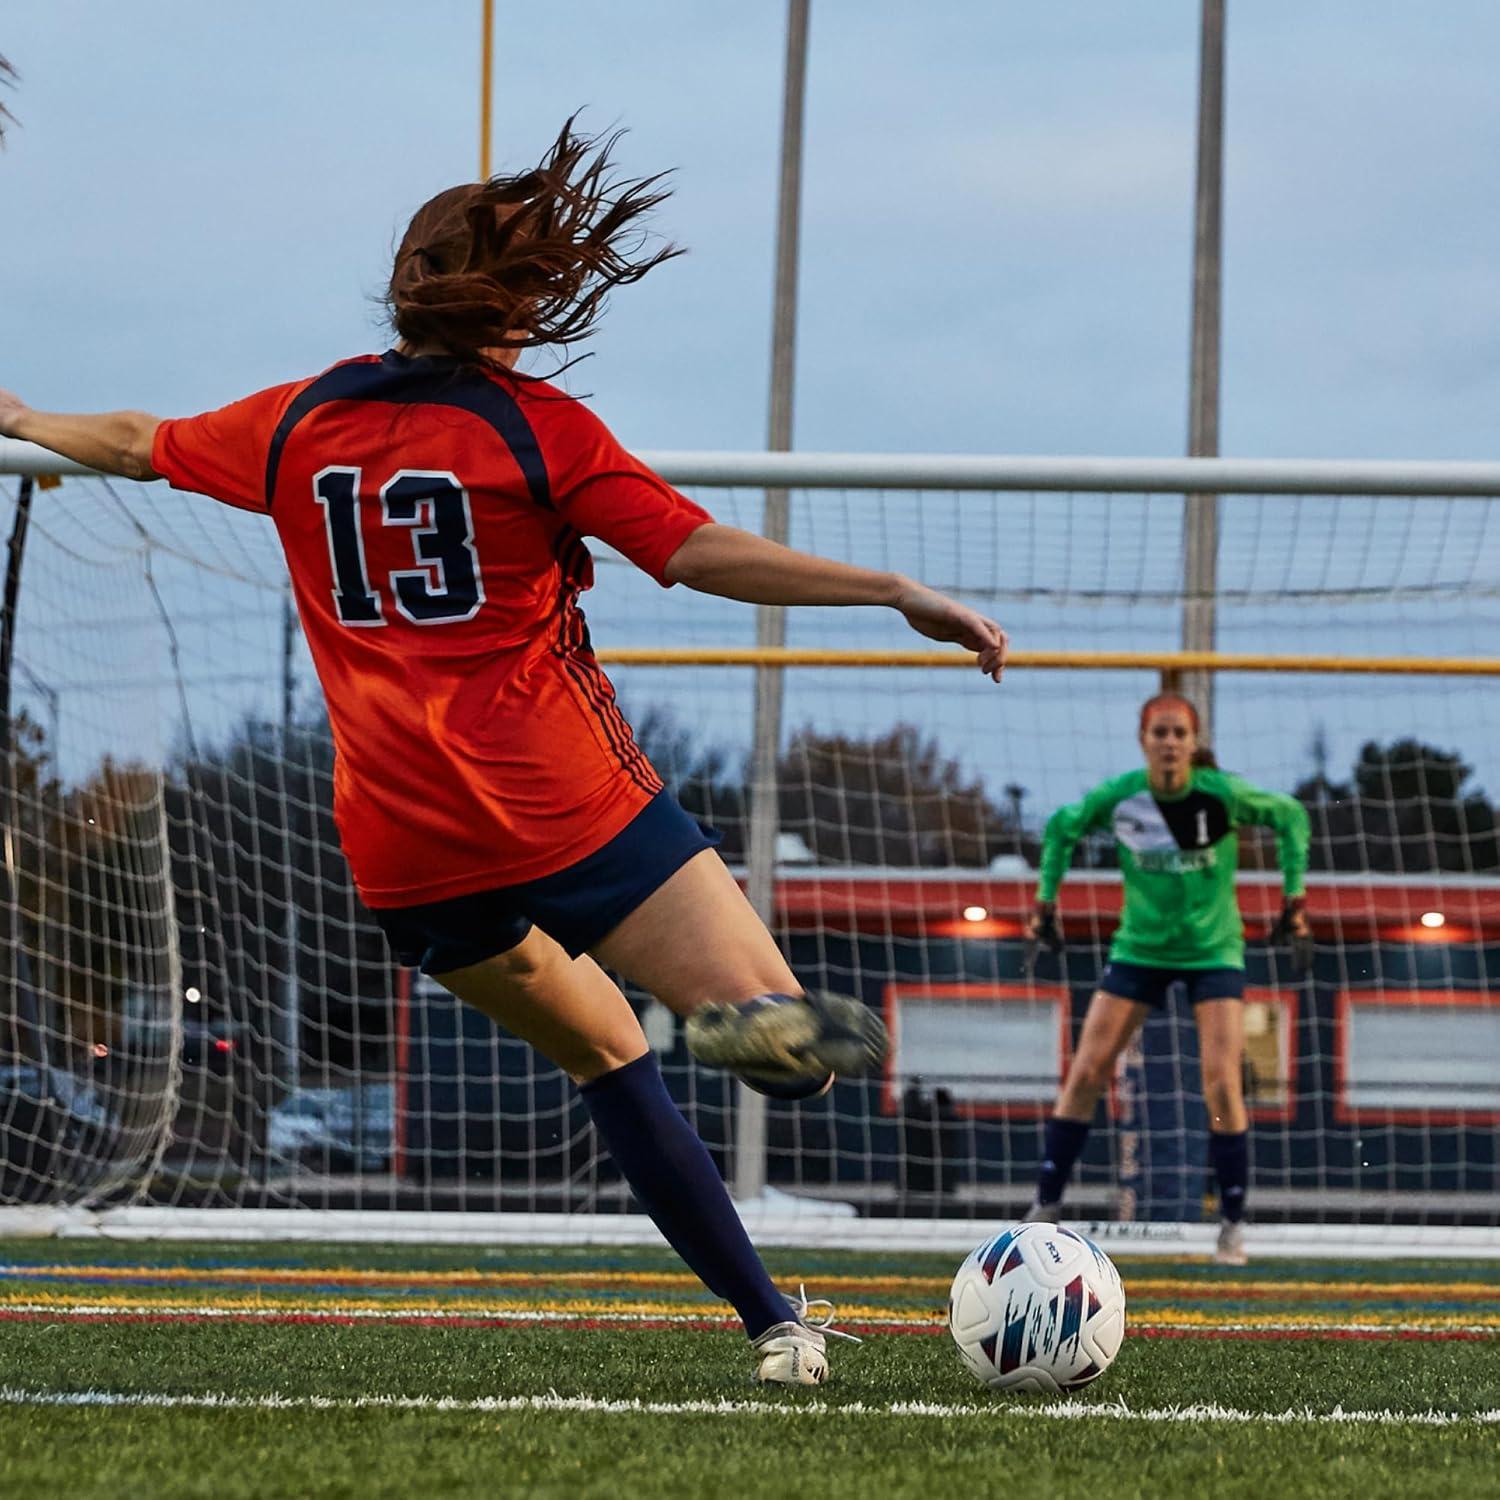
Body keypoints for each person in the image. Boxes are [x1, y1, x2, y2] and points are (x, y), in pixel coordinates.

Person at [0, 120, 1007, 1382]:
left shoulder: (297, 420)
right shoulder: (536, 428)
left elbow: (143, 440)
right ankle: (723, 1021)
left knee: (604, 1054)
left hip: (407, 846)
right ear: (510, 304)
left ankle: (776, 1327)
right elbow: (694, 556)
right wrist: (893, 588)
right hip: (564, 803)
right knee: (790, 1055)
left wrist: (30, 414)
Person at [1023, 692, 1311, 1265]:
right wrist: (1045, 902)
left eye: (1180, 733)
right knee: (1086, 1071)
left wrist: (1294, 896)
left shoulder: (1221, 795)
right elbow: (1060, 826)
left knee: (1222, 1085)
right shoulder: (1123, 796)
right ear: (1144, 740)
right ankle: (1045, 1208)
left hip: (1213, 951)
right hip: (1140, 949)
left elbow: (1291, 816)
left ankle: (1231, 1223)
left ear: (1194, 741)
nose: (1170, 742)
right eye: (1160, 733)